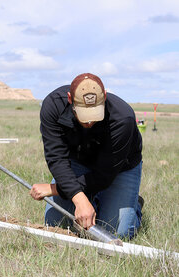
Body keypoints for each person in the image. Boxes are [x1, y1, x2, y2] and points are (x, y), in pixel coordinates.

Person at [30, 73, 143, 239]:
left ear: (104, 97)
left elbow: (103, 175)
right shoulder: (53, 106)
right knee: (56, 225)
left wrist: (55, 189)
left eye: (95, 113)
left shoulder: (123, 117)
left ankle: (134, 206)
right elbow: (57, 159)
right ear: (70, 99)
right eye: (83, 114)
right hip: (78, 161)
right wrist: (79, 198)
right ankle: (92, 200)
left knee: (116, 233)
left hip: (118, 169)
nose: (89, 122)